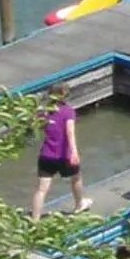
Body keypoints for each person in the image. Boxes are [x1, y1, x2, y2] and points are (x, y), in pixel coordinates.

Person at [29, 82, 90, 220]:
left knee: (41, 189)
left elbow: (35, 125)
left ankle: (35, 219)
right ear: (63, 94)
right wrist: (74, 152)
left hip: (46, 154)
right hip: (64, 155)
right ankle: (80, 203)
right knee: (76, 178)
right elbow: (70, 132)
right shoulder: (68, 111)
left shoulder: (43, 111)